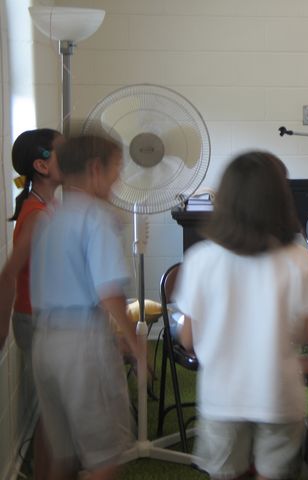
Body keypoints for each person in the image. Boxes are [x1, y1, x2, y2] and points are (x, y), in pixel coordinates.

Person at [175, 151, 308, 480]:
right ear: (280, 201)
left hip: (221, 397)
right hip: (278, 394)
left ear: (225, 200)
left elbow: (188, 339)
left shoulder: (200, 260)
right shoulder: (300, 261)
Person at [29, 135, 139, 480]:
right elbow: (109, 292)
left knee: (63, 455)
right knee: (104, 457)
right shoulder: (98, 217)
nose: (118, 178)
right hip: (83, 346)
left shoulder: (48, 217)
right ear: (95, 169)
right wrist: (136, 343)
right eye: (116, 169)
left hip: (45, 343)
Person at [0, 128, 63, 480]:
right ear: (41, 165)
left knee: (54, 417)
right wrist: (2, 328)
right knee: (52, 418)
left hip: (47, 321)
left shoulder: (49, 207)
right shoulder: (37, 215)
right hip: (37, 323)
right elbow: (8, 274)